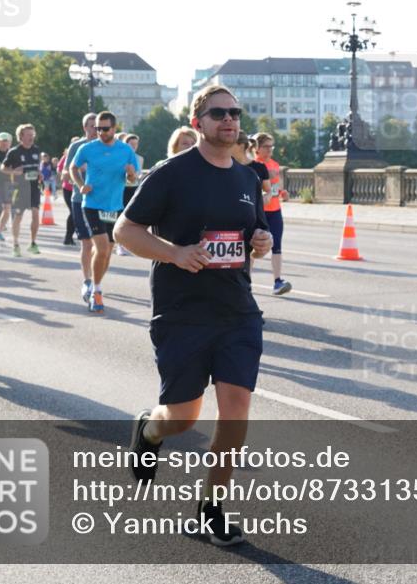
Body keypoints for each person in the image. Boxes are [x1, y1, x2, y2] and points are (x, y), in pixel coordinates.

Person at [114, 84, 272, 547]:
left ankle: (211, 507)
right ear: (196, 122)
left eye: (235, 112)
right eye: (218, 112)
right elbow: (125, 230)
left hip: (237, 311)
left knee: (236, 412)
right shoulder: (172, 173)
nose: (229, 120)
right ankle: (150, 428)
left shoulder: (247, 179)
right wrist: (175, 252)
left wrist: (260, 242)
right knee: (182, 418)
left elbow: (254, 237)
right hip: (182, 312)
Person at [70, 110, 140, 313]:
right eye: (97, 128)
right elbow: (74, 168)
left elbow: (133, 180)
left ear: (114, 128)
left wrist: (130, 174)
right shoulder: (87, 148)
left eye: (104, 128)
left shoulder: (126, 150)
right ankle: (96, 290)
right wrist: (81, 184)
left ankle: (95, 281)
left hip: (114, 206)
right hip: (91, 204)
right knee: (101, 248)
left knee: (107, 251)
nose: (100, 132)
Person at [62, 115, 98, 300]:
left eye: (98, 126)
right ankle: (88, 280)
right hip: (81, 200)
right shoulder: (78, 147)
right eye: (92, 126)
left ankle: (96, 277)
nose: (95, 130)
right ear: (85, 128)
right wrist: (81, 173)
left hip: (104, 202)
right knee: (87, 242)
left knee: (103, 245)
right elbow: (65, 173)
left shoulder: (108, 146)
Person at [252, 133, 291, 295]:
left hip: (275, 210)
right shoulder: (253, 165)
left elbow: (275, 187)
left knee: (277, 246)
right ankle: (246, 281)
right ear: (257, 148)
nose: (269, 150)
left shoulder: (275, 164)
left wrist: (282, 192)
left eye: (271, 147)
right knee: (251, 248)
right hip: (259, 213)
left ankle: (277, 281)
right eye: (266, 147)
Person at [2, 124, 43, 257]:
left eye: (33, 135)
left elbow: (37, 167)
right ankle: (15, 244)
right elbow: (3, 168)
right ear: (21, 136)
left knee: (36, 214)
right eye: (28, 135)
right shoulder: (14, 152)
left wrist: (39, 173)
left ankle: (33, 243)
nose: (31, 137)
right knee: (18, 216)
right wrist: (14, 171)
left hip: (34, 187)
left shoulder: (36, 150)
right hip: (20, 189)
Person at [116, 134, 145, 256]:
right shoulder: (119, 156)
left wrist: (138, 176)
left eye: (136, 144)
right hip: (120, 189)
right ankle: (119, 244)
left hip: (133, 189)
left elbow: (138, 174)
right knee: (119, 215)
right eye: (131, 144)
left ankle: (126, 244)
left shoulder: (139, 158)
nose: (134, 146)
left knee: (129, 216)